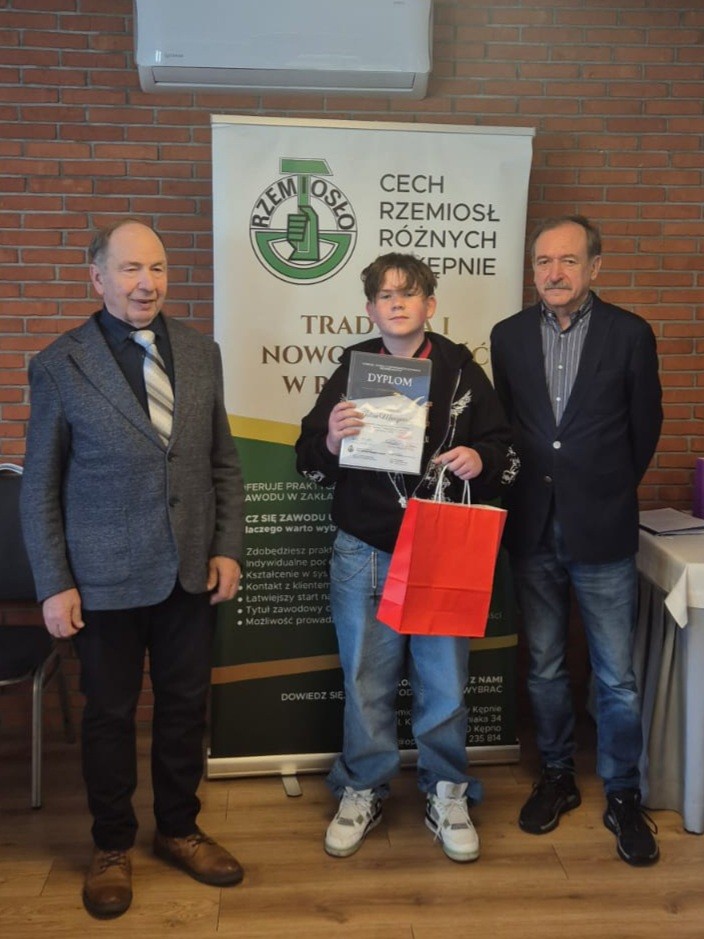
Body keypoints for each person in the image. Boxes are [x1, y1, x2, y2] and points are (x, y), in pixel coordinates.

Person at [20, 219, 246, 918]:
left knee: (183, 708)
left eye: (157, 268)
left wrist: (227, 546)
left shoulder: (201, 353)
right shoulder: (59, 364)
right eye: (130, 269)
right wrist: (55, 582)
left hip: (188, 572)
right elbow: (39, 487)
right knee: (111, 716)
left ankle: (179, 828)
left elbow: (221, 462)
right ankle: (111, 844)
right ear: (97, 278)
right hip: (103, 581)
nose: (147, 283)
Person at [295, 252, 519, 863]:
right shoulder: (352, 369)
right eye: (385, 296)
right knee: (365, 681)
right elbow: (307, 456)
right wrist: (332, 438)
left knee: (444, 683)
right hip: (364, 548)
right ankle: (362, 787)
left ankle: (447, 789)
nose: (397, 303)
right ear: (370, 309)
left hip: (441, 547)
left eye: (409, 293)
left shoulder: (462, 370)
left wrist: (481, 458)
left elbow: (505, 449)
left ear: (430, 305)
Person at [490, 215, 663, 866]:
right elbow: (507, 427)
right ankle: (557, 774)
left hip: (603, 524)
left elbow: (645, 428)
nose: (554, 273)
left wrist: (602, 487)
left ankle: (623, 792)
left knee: (616, 675)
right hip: (531, 525)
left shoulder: (630, 334)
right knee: (543, 664)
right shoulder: (507, 336)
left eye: (567, 260)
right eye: (543, 261)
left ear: (595, 267)